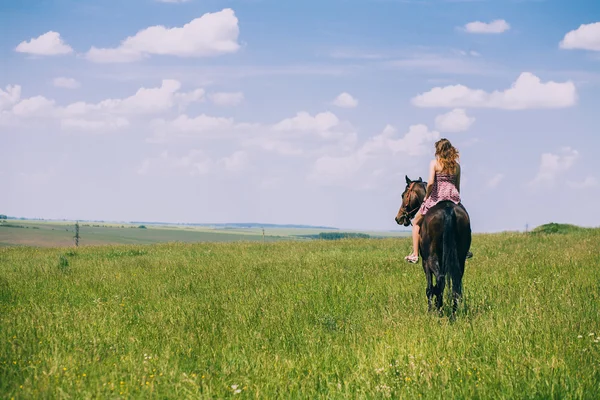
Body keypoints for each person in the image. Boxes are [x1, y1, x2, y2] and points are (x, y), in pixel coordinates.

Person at [405, 138, 470, 263]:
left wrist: (426, 197)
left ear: (438, 150)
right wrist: (455, 198)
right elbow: (457, 186)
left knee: (416, 223)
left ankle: (414, 254)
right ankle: (465, 250)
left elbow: (430, 184)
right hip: (453, 197)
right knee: (464, 220)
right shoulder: (456, 166)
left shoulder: (434, 163)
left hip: (437, 197)